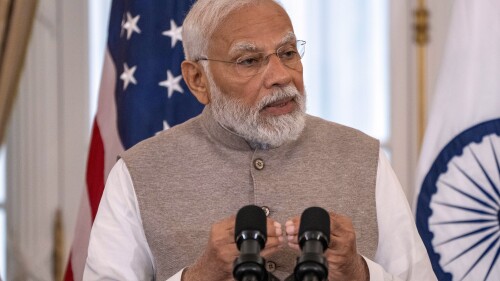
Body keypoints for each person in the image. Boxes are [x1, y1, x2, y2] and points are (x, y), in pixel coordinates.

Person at [84, 0, 437, 280]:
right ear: (197, 80)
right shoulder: (140, 172)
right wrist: (197, 278)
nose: (281, 76)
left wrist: (360, 274)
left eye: (287, 53)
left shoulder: (363, 156)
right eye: (249, 60)